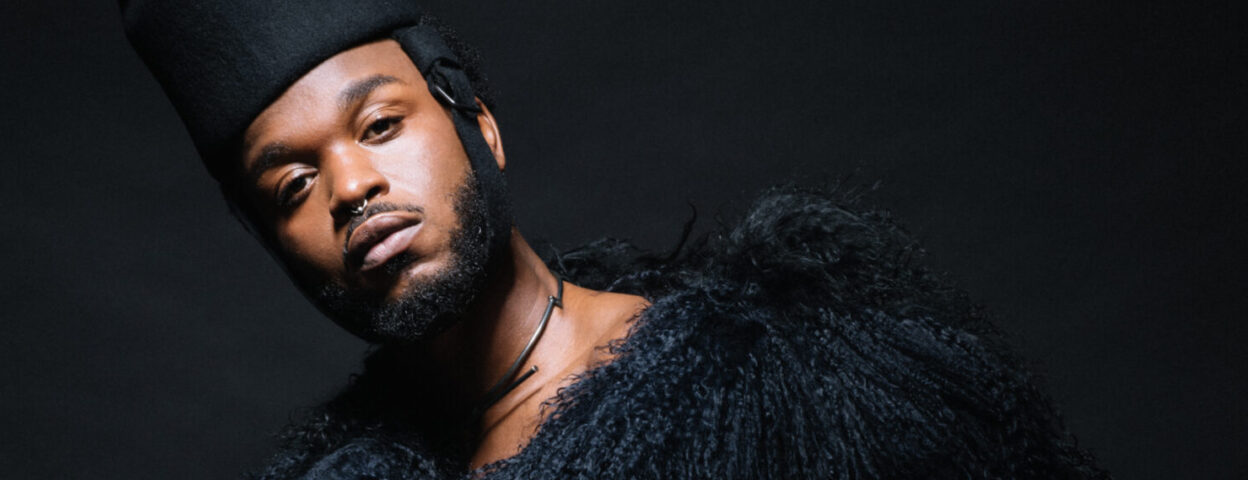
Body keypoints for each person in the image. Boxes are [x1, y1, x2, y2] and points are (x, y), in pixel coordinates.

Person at [122, 0, 1106, 477]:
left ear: (481, 127)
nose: (351, 186)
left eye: (380, 126)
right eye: (292, 183)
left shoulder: (778, 396)